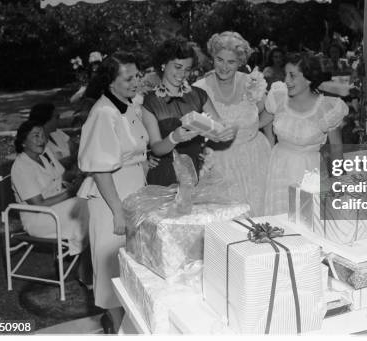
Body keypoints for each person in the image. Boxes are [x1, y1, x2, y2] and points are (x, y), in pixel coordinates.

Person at [77, 51, 148, 333]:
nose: (135, 82)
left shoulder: (126, 105)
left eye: (137, 76)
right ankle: (119, 328)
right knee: (112, 266)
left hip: (132, 188)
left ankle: (131, 324)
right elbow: (100, 169)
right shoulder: (104, 112)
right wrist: (117, 210)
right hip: (111, 196)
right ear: (110, 82)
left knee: (132, 263)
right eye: (128, 78)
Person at [193, 32, 271, 216]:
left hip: (256, 160)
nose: (224, 67)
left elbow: (270, 111)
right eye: (219, 60)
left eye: (231, 62)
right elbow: (193, 129)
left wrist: (255, 131)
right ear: (212, 57)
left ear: (240, 62)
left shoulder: (252, 83)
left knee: (259, 219)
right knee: (225, 224)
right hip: (219, 164)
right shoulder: (199, 88)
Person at [261, 53, 348, 215]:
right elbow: (258, 123)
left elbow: (336, 149)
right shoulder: (278, 97)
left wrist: (338, 181)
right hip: (279, 167)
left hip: (309, 171)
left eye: (292, 75)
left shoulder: (327, 108)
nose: (286, 80)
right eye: (286, 74)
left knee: (306, 221)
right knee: (278, 220)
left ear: (308, 78)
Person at [142, 37, 236, 186]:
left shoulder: (199, 95)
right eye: (177, 67)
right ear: (163, 64)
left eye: (187, 69)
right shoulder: (150, 102)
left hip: (196, 173)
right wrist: (174, 137)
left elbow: (221, 128)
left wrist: (229, 131)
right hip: (165, 176)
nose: (182, 74)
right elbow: (156, 148)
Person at [10, 120, 89, 264]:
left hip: (55, 210)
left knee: (91, 200)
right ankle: (86, 261)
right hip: (40, 219)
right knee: (85, 204)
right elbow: (38, 204)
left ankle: (88, 258)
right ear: (23, 142)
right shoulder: (21, 166)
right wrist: (71, 192)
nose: (42, 140)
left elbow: (59, 177)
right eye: (36, 136)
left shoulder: (42, 156)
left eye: (43, 136)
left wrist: (81, 176)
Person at [29, 103, 78, 169]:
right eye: (57, 117)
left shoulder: (57, 132)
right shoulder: (34, 145)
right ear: (46, 120)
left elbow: (75, 148)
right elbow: (53, 167)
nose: (59, 119)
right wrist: (72, 158)